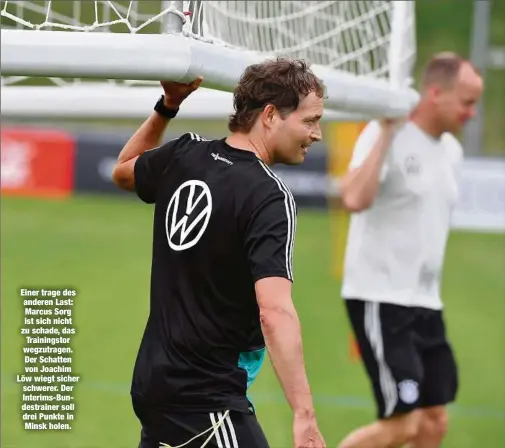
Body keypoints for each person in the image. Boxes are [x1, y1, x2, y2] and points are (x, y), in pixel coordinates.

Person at [111, 58, 327, 448]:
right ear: (271, 115)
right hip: (204, 398)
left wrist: (167, 106)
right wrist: (304, 415)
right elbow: (274, 312)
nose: (317, 134)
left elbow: (124, 170)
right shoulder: (268, 196)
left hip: (155, 385)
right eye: (310, 120)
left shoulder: (185, 154)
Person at [337, 52, 484, 448]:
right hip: (381, 298)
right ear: (435, 93)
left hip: (426, 304)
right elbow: (352, 196)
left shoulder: (452, 151)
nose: (472, 113)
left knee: (434, 421)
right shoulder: (386, 133)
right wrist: (386, 131)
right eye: (467, 102)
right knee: (402, 424)